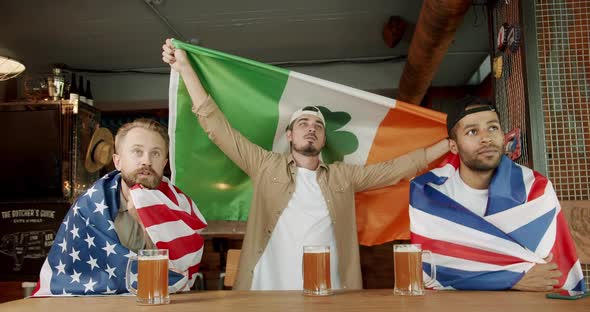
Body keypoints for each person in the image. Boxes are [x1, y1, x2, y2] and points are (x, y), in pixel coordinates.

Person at [162, 39, 450, 291]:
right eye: (303, 123)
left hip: (331, 288)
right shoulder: (265, 165)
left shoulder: (342, 176)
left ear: (324, 139)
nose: (310, 129)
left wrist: (446, 145)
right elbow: (217, 128)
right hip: (266, 287)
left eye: (317, 126)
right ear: (289, 135)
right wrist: (185, 68)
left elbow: (397, 169)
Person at [409, 96, 586, 292]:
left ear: (503, 135)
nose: (486, 137)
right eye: (472, 131)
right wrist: (512, 279)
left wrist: (479, 271)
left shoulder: (534, 189)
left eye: (493, 128)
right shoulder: (429, 195)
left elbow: (547, 273)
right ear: (453, 146)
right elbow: (433, 272)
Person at [32, 119, 207, 296]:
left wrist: (145, 220)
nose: (146, 161)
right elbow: (72, 276)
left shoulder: (179, 206)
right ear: (117, 161)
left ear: (164, 163)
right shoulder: (89, 207)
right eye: (137, 152)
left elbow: (173, 276)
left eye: (155, 153)